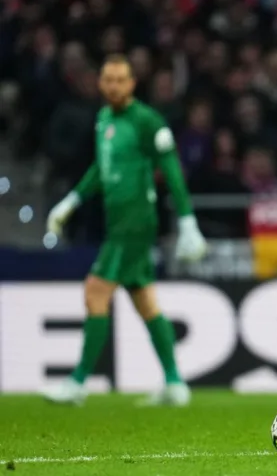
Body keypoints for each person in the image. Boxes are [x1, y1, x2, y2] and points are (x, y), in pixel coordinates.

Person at [42, 54, 208, 407]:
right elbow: (100, 169)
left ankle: (77, 383)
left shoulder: (147, 121)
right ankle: (175, 383)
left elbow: (171, 167)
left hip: (135, 224)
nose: (114, 86)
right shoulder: (104, 119)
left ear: (132, 83)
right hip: (117, 222)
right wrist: (70, 201)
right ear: (100, 84)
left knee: (95, 291)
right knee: (145, 300)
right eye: (108, 80)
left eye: (121, 80)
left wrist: (187, 221)